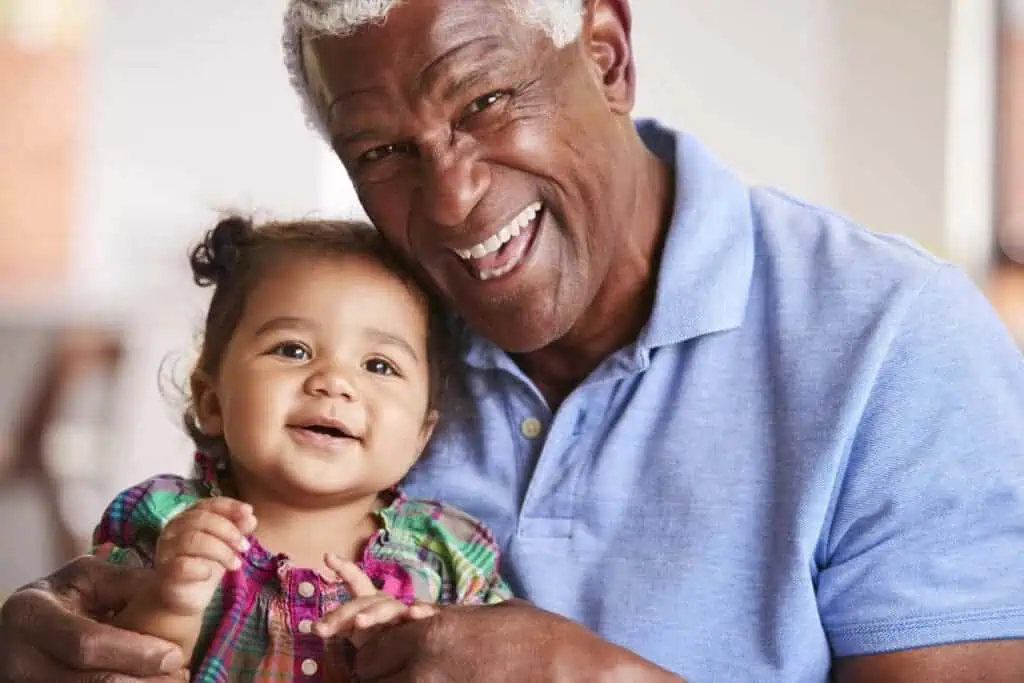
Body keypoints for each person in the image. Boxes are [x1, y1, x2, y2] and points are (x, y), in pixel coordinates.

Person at [2, 0, 1024, 681]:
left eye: (485, 101)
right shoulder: (354, 334)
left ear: (608, 58)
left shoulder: (894, 339)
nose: (450, 200)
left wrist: (605, 675)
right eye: (382, 151)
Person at [91, 216, 511, 681]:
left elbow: (498, 665)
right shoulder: (168, 522)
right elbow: (106, 664)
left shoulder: (450, 552)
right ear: (212, 402)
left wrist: (414, 646)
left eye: (379, 364)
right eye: (292, 350)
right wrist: (170, 600)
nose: (335, 382)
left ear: (420, 437)